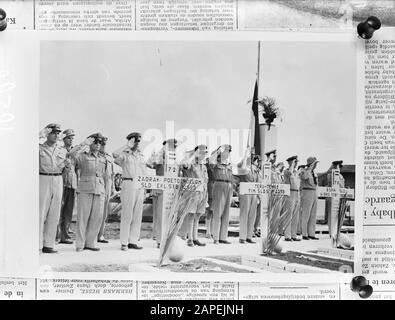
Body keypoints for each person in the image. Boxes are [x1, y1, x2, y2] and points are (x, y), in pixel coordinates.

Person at [69, 133, 108, 252]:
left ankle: (90, 243)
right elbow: (71, 155)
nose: (97, 145)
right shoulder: (82, 156)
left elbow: (104, 174)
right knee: (83, 217)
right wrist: (83, 143)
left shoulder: (103, 158)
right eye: (95, 142)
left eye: (99, 143)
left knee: (97, 217)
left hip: (99, 189)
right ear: (91, 143)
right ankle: (80, 244)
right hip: (85, 188)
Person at [113, 132, 147, 251]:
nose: (137, 143)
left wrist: (145, 187)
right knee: (127, 214)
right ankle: (124, 242)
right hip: (128, 183)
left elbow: (144, 171)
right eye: (135, 141)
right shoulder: (124, 154)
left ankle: (133, 240)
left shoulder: (140, 155)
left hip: (140, 184)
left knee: (137, 215)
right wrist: (127, 145)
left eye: (138, 141)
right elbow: (115, 155)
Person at [39, 123, 68, 253]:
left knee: (54, 213)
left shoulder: (62, 150)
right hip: (43, 178)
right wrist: (40, 134)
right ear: (47, 133)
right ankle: (37, 244)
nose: (56, 135)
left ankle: (48, 244)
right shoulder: (39, 148)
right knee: (40, 212)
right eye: (53, 133)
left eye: (58, 133)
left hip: (58, 179)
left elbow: (65, 166)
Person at [147, 138, 178, 248]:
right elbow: (149, 163)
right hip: (161, 188)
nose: (173, 149)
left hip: (171, 189)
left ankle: (168, 238)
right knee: (160, 215)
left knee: (170, 216)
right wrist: (162, 151)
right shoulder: (159, 158)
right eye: (170, 146)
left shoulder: (174, 160)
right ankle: (160, 240)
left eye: (174, 147)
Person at [180, 145, 209, 247]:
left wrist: (206, 196)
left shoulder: (203, 166)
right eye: (202, 152)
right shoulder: (191, 163)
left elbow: (205, 181)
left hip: (202, 193)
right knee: (191, 215)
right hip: (192, 192)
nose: (204, 154)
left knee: (198, 216)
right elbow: (184, 164)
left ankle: (195, 237)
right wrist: (192, 155)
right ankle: (190, 238)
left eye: (205, 152)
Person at [209, 144, 234, 244]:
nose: (227, 153)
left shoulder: (229, 164)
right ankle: (216, 237)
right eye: (226, 151)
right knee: (218, 211)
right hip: (219, 184)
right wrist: (218, 150)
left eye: (228, 151)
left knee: (226, 212)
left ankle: (223, 237)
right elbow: (211, 160)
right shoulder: (216, 163)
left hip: (229, 185)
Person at [57, 128, 77, 245]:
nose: (71, 140)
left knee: (68, 211)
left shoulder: (75, 152)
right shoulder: (60, 150)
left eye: (72, 138)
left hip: (72, 184)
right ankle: (57, 235)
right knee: (59, 210)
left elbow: (77, 168)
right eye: (69, 137)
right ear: (64, 139)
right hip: (62, 182)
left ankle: (65, 235)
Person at [237, 149, 261, 244]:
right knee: (244, 214)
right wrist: (245, 156)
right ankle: (242, 237)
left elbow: (259, 182)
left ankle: (249, 236)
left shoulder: (257, 171)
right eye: (256, 160)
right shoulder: (245, 167)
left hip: (254, 193)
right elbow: (239, 167)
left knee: (252, 215)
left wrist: (258, 196)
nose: (258, 162)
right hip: (245, 192)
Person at [97, 136, 115, 244]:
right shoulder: (96, 155)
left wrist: (112, 187)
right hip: (99, 183)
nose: (103, 145)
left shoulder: (108, 156)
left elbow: (111, 174)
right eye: (101, 143)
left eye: (104, 144)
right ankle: (93, 235)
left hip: (107, 184)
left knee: (104, 212)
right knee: (96, 211)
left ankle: (100, 234)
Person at [326, 160, 346, 247]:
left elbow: (342, 186)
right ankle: (332, 233)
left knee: (338, 216)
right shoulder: (331, 175)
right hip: (332, 196)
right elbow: (332, 184)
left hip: (339, 197)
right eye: (337, 166)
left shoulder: (340, 176)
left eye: (339, 167)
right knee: (331, 216)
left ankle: (336, 232)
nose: (339, 168)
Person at [299, 156, 319, 241]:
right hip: (307, 192)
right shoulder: (304, 171)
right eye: (315, 164)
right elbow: (304, 177)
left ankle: (311, 233)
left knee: (313, 215)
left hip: (314, 192)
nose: (316, 165)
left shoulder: (314, 173)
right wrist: (309, 168)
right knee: (306, 214)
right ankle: (304, 233)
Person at [283, 156, 301, 242]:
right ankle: (287, 235)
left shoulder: (296, 172)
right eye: (294, 161)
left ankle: (293, 235)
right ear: (290, 162)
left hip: (297, 193)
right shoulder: (287, 171)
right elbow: (289, 174)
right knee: (289, 215)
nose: (296, 163)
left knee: (295, 215)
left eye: (296, 161)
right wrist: (292, 165)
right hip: (290, 192)